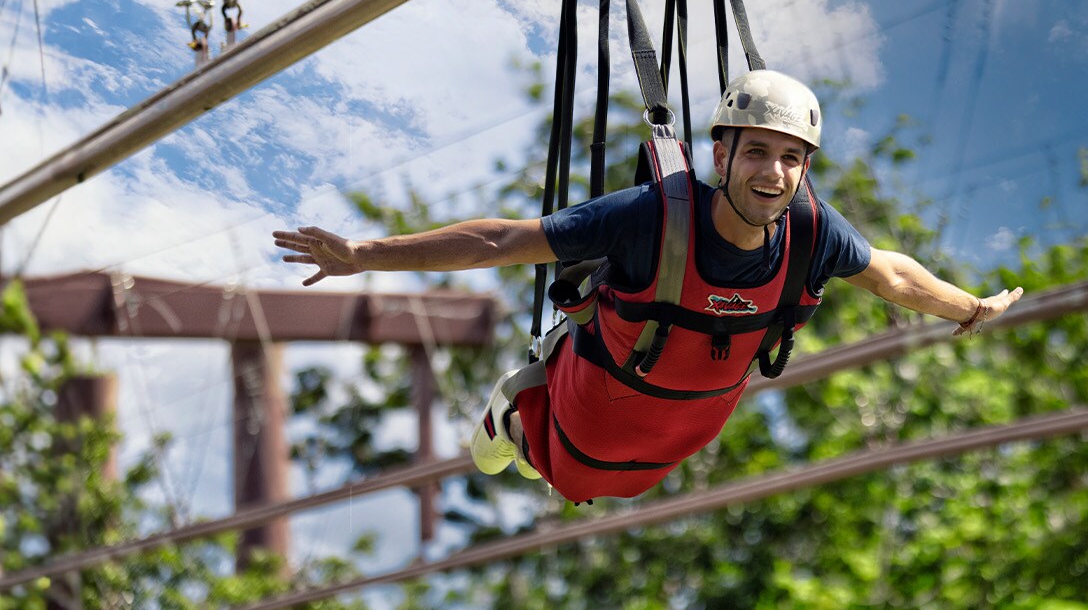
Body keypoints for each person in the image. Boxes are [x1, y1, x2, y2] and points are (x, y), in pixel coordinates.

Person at [274, 70, 1022, 502]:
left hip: (684, 431)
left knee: (620, 480)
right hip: (594, 409)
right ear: (719, 155)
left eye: (792, 159)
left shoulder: (811, 231)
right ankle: (517, 407)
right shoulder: (650, 219)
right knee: (557, 462)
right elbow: (505, 240)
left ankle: (538, 424)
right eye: (757, 152)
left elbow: (892, 273)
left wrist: (971, 307)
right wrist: (366, 253)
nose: (774, 173)